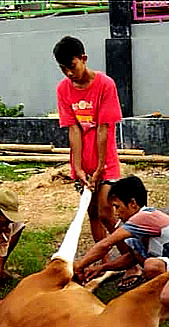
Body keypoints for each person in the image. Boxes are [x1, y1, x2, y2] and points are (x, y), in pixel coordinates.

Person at [53, 35, 122, 255]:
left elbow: (103, 129)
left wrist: (100, 167)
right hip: (83, 164)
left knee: (106, 212)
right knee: (91, 212)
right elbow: (73, 129)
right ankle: (102, 261)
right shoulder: (63, 89)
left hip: (106, 162)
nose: (69, 73)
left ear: (83, 59)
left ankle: (130, 260)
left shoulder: (105, 85)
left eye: (72, 66)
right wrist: (78, 168)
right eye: (63, 69)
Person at [75, 175, 169, 291]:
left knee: (152, 266)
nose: (116, 213)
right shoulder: (143, 222)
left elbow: (106, 244)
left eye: (117, 206)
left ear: (133, 203)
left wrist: (79, 266)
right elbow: (132, 258)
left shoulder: (143, 218)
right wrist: (102, 267)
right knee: (135, 247)